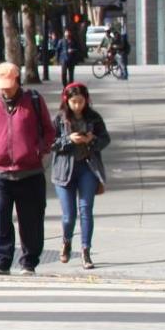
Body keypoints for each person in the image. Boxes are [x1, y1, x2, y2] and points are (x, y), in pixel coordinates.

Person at [0, 60, 55, 275]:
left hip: (30, 172)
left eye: (9, 85)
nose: (5, 90)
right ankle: (1, 261)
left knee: (31, 220)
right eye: (1, 86)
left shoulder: (34, 101)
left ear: (18, 82)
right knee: (0, 215)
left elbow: (49, 131)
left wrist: (40, 149)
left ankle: (29, 262)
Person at [50, 81, 109, 268]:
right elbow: (50, 142)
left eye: (80, 101)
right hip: (64, 170)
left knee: (86, 210)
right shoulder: (60, 119)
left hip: (87, 168)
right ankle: (66, 241)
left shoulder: (94, 118)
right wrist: (68, 140)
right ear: (66, 101)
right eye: (73, 102)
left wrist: (92, 140)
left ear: (86, 100)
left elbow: (105, 139)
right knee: (69, 215)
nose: (77, 106)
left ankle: (86, 250)